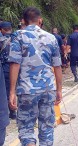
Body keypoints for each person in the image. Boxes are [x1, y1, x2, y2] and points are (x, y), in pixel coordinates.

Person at [8, 7, 62, 146]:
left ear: (24, 21)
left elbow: (15, 64)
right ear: (40, 20)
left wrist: (12, 92)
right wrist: (59, 89)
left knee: (26, 129)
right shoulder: (51, 38)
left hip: (27, 90)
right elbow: (57, 66)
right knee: (47, 128)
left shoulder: (18, 36)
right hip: (48, 88)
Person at [0, 21, 17, 120]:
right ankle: (14, 111)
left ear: (2, 29)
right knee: (13, 89)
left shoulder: (1, 40)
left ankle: (9, 112)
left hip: (5, 69)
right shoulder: (16, 38)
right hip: (16, 68)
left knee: (6, 91)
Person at [0, 21, 10, 146]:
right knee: (7, 93)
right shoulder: (14, 39)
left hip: (4, 68)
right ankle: (12, 112)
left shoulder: (2, 40)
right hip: (12, 69)